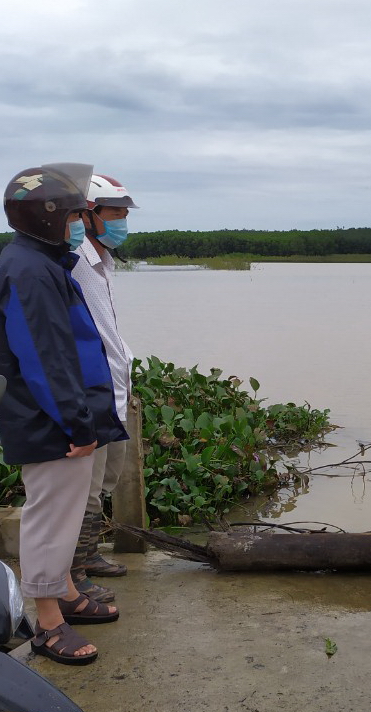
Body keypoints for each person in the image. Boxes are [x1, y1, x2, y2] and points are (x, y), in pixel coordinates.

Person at [0, 163, 127, 665]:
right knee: (50, 519)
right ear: (49, 216)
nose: (81, 221)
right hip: (52, 421)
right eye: (76, 213)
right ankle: (49, 624)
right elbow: (44, 356)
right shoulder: (30, 269)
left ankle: (68, 593)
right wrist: (77, 423)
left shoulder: (44, 261)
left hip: (64, 415)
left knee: (66, 513)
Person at [68, 174, 138, 604]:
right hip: (91, 396)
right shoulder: (73, 262)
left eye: (126, 214)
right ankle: (73, 575)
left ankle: (89, 555)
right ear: (88, 215)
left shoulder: (103, 262)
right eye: (116, 213)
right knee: (85, 489)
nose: (124, 222)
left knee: (107, 480)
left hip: (114, 392)